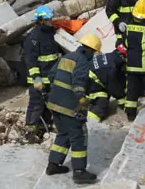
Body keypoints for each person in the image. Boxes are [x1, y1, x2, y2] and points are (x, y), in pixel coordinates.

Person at [46, 33, 102, 184]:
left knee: (63, 134)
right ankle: (79, 172)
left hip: (54, 103)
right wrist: (82, 98)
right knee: (78, 137)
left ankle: (53, 165)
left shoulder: (67, 56)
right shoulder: (83, 61)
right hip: (70, 106)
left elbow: (51, 75)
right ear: (91, 50)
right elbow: (79, 81)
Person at [23, 5, 61, 142]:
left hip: (50, 78)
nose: (51, 21)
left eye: (51, 18)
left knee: (48, 105)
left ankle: (43, 130)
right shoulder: (33, 38)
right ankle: (29, 132)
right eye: (48, 19)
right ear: (41, 20)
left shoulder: (50, 34)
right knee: (36, 104)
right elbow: (30, 61)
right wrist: (36, 78)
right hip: (38, 80)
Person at [87, 44, 127, 123]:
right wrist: (124, 104)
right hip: (89, 85)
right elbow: (114, 88)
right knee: (102, 103)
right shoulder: (112, 67)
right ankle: (90, 122)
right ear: (122, 56)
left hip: (90, 79)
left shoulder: (111, 56)